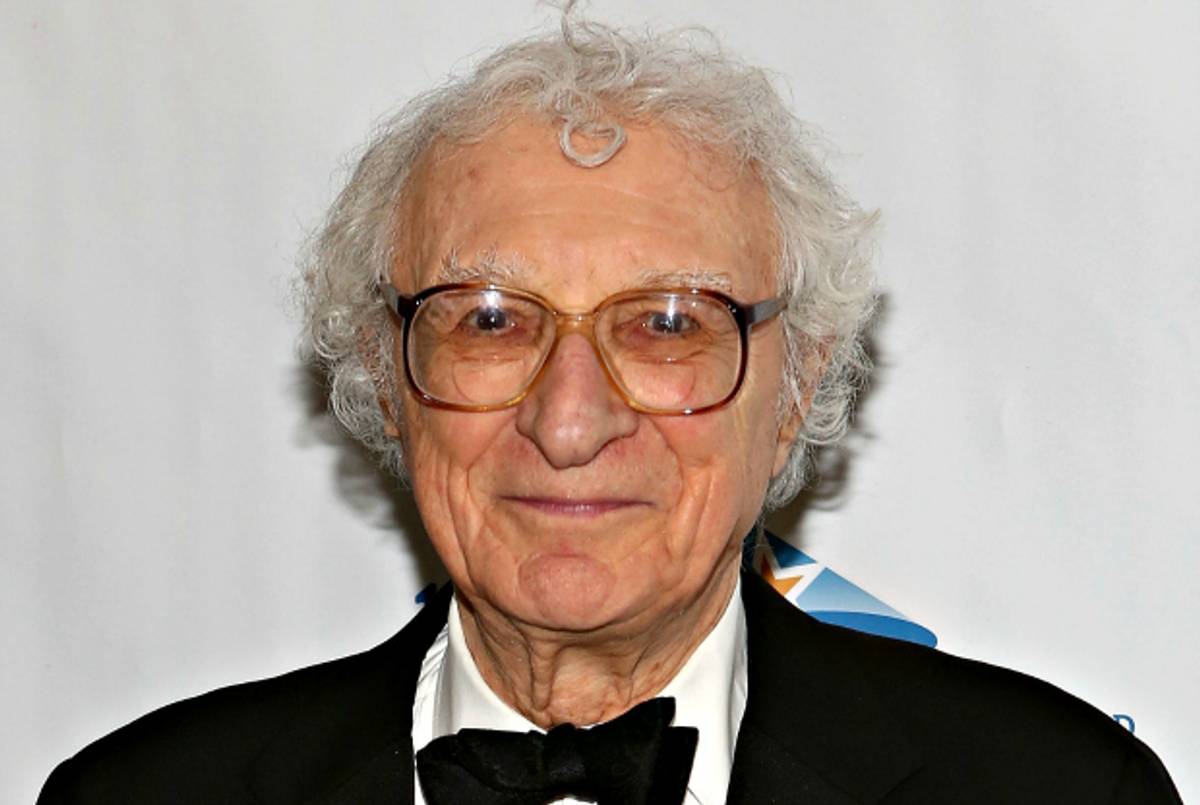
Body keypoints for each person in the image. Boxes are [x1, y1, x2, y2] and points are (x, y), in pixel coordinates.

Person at [38, 10, 1180, 805]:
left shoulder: (1057, 800)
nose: (570, 419)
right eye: (489, 318)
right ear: (389, 381)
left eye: (668, 323)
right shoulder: (140, 803)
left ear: (794, 392)